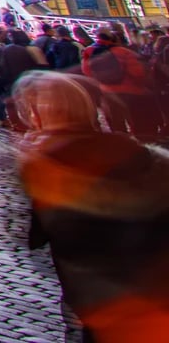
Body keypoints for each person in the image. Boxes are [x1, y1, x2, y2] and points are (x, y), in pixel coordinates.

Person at [14, 71, 169, 342]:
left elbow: (32, 236)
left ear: (38, 115)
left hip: (98, 295)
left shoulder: (46, 166)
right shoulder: (131, 148)